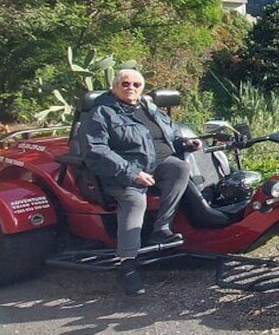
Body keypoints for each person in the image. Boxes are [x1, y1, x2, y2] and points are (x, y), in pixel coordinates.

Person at [78, 68, 199, 296]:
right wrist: (132, 173)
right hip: (119, 174)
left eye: (136, 84)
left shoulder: (148, 107)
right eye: (125, 84)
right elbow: (96, 150)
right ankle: (127, 265)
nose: (131, 88)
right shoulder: (102, 113)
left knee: (180, 168)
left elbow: (170, 134)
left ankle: (161, 228)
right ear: (114, 87)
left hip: (155, 167)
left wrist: (186, 143)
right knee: (135, 201)